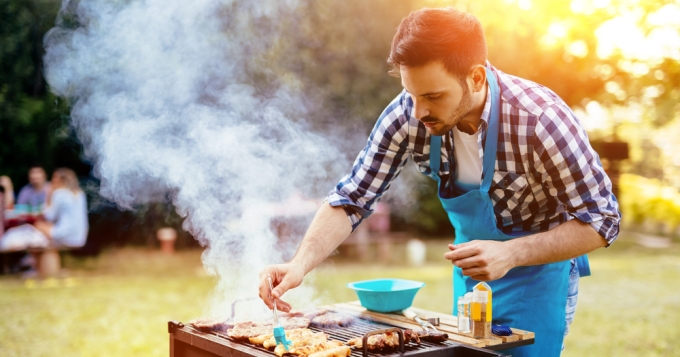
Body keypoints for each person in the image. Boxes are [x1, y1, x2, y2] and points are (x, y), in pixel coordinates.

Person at [258, 7, 621, 357]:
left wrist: (512, 253)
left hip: (538, 278)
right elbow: (352, 197)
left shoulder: (541, 121)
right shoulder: (409, 113)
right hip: (470, 281)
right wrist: (299, 264)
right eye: (412, 94)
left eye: (433, 96)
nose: (418, 112)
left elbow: (603, 220)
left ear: (476, 78)